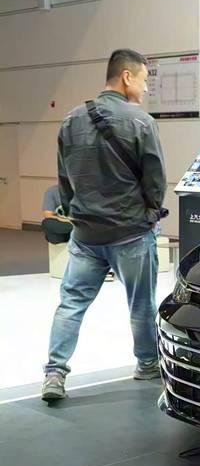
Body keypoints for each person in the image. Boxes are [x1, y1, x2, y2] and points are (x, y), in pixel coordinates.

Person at [41, 48, 167, 402]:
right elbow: (155, 181)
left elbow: (64, 180)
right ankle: (147, 364)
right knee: (140, 304)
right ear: (127, 76)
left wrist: (78, 213)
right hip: (131, 233)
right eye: (143, 80)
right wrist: (150, 215)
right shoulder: (142, 122)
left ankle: (54, 373)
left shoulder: (70, 120)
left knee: (70, 304)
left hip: (86, 235)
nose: (145, 88)